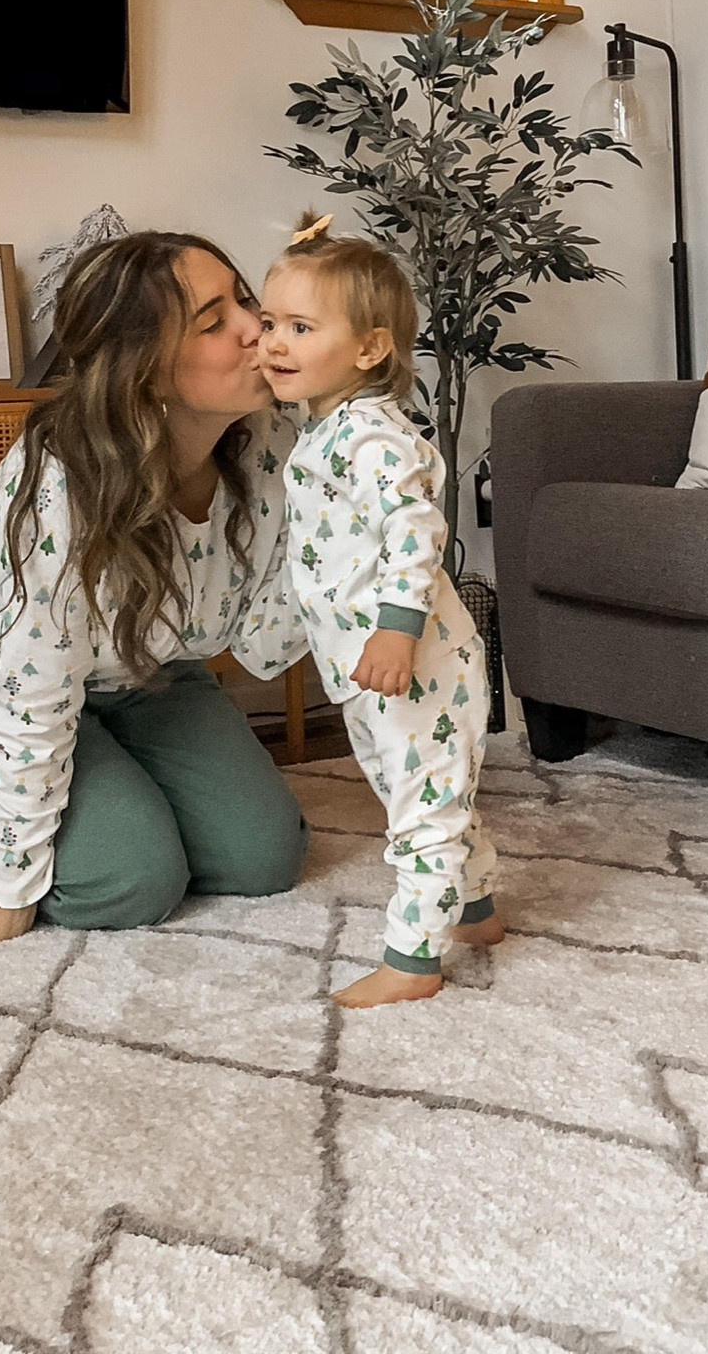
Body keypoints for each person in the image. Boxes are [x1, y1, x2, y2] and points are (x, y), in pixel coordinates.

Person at [0, 231, 308, 954]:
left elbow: (263, 645)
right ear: (145, 372)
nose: (254, 328)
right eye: (214, 322)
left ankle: (108, 789)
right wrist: (2, 906)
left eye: (245, 299)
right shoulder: (68, 486)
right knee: (128, 882)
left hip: (137, 664)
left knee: (263, 857)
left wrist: (356, 518)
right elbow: (34, 695)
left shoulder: (276, 439)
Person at [257, 213, 502, 1009]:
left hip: (413, 658)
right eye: (268, 322)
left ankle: (414, 960)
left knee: (421, 803)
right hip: (368, 665)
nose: (273, 343)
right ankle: (476, 909)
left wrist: (397, 632)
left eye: (300, 327)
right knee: (425, 789)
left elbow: (414, 530)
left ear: (369, 349)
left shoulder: (370, 436)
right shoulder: (325, 428)